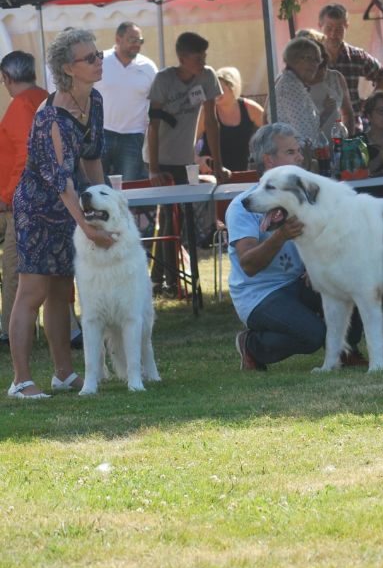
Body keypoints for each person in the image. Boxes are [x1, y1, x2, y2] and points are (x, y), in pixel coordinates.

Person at [7, 29, 113, 399]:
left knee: (62, 292)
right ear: (68, 68)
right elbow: (62, 181)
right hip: (37, 207)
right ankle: (20, 380)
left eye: (98, 54)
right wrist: (87, 226)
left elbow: (93, 156)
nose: (99, 60)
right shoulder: (52, 115)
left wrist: (105, 207)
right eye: (90, 58)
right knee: (32, 292)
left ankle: (63, 374)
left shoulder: (94, 99)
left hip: (68, 203)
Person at [228, 123, 366, 370]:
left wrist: (317, 268)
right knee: (312, 335)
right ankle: (251, 345)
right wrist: (280, 236)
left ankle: (346, 350)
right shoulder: (243, 205)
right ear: (269, 160)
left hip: (295, 282)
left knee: (346, 282)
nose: (301, 157)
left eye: (298, 150)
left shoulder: (305, 199)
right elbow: (248, 265)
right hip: (259, 294)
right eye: (291, 152)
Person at [146, 32, 224, 295]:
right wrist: (154, 168)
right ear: (182, 58)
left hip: (184, 158)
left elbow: (212, 122)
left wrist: (219, 164)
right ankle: (171, 282)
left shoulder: (207, 76)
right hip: (161, 158)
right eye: (197, 58)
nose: (203, 62)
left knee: (173, 217)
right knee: (171, 216)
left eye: (205, 57)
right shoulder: (163, 80)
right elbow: (153, 126)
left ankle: (160, 280)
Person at [0, 51, 48, 345]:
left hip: (22, 202)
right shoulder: (45, 96)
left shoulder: (20, 105)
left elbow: (24, 155)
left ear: (6, 78)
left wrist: (6, 195)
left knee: (16, 268)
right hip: (45, 198)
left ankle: (10, 331)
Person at [95, 21, 157, 182]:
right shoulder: (99, 61)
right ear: (118, 39)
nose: (137, 44)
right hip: (102, 133)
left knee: (128, 188)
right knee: (97, 185)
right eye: (132, 40)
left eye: (140, 40)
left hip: (133, 136)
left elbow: (157, 101)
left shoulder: (149, 67)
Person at [318, 3, 383, 113]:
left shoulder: (356, 56)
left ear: (346, 26)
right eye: (329, 28)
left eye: (339, 29)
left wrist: (371, 100)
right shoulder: (311, 57)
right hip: (320, 124)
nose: (333, 34)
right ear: (320, 26)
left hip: (352, 123)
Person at [274, 37, 337, 163]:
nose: (314, 65)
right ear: (293, 59)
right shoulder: (291, 87)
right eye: (309, 58)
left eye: (317, 60)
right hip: (297, 161)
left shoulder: (295, 84)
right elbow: (305, 135)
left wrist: (326, 112)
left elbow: (308, 126)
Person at [198, 67, 265, 172]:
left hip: (240, 171)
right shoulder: (206, 111)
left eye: (220, 89)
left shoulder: (250, 108)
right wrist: (198, 160)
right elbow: (190, 142)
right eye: (214, 89)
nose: (215, 93)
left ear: (233, 88)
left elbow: (272, 132)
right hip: (211, 172)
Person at [295, 28, 356, 135]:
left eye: (324, 66)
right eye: (317, 69)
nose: (323, 72)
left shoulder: (335, 78)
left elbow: (347, 113)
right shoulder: (290, 83)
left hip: (336, 143)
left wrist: (348, 142)